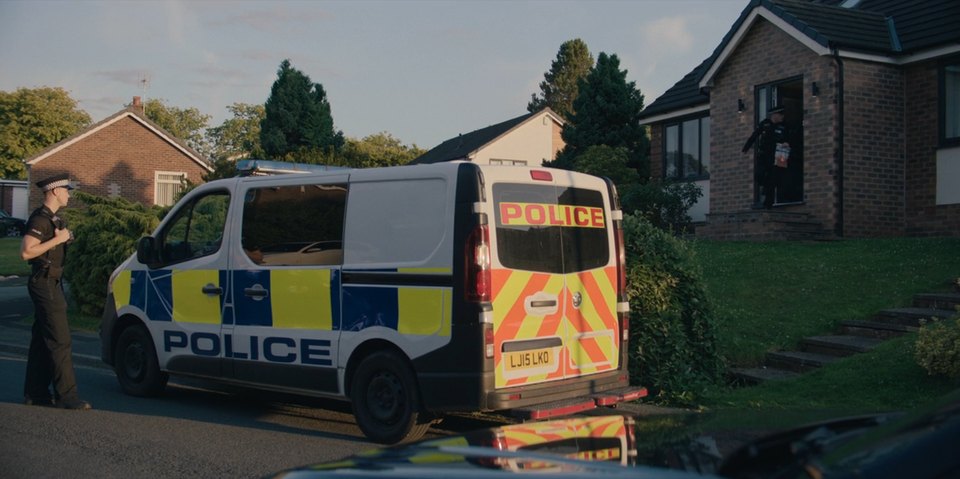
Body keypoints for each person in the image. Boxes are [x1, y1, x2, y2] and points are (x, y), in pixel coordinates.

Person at [20, 173, 91, 410]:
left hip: (51, 283)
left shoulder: (53, 219)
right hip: (44, 284)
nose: (68, 194)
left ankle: (36, 393)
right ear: (54, 192)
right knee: (61, 341)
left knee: (42, 340)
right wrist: (57, 240)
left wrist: (62, 237)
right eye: (66, 190)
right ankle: (67, 397)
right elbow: (27, 252)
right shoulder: (40, 220)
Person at [742, 105, 790, 208]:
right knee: (759, 175)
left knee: (773, 180)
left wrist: (787, 143)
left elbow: (789, 138)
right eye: (781, 115)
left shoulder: (783, 126)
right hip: (763, 155)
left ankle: (768, 204)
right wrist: (745, 148)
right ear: (774, 115)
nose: (782, 117)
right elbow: (754, 135)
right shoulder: (765, 124)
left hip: (776, 157)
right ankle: (764, 187)